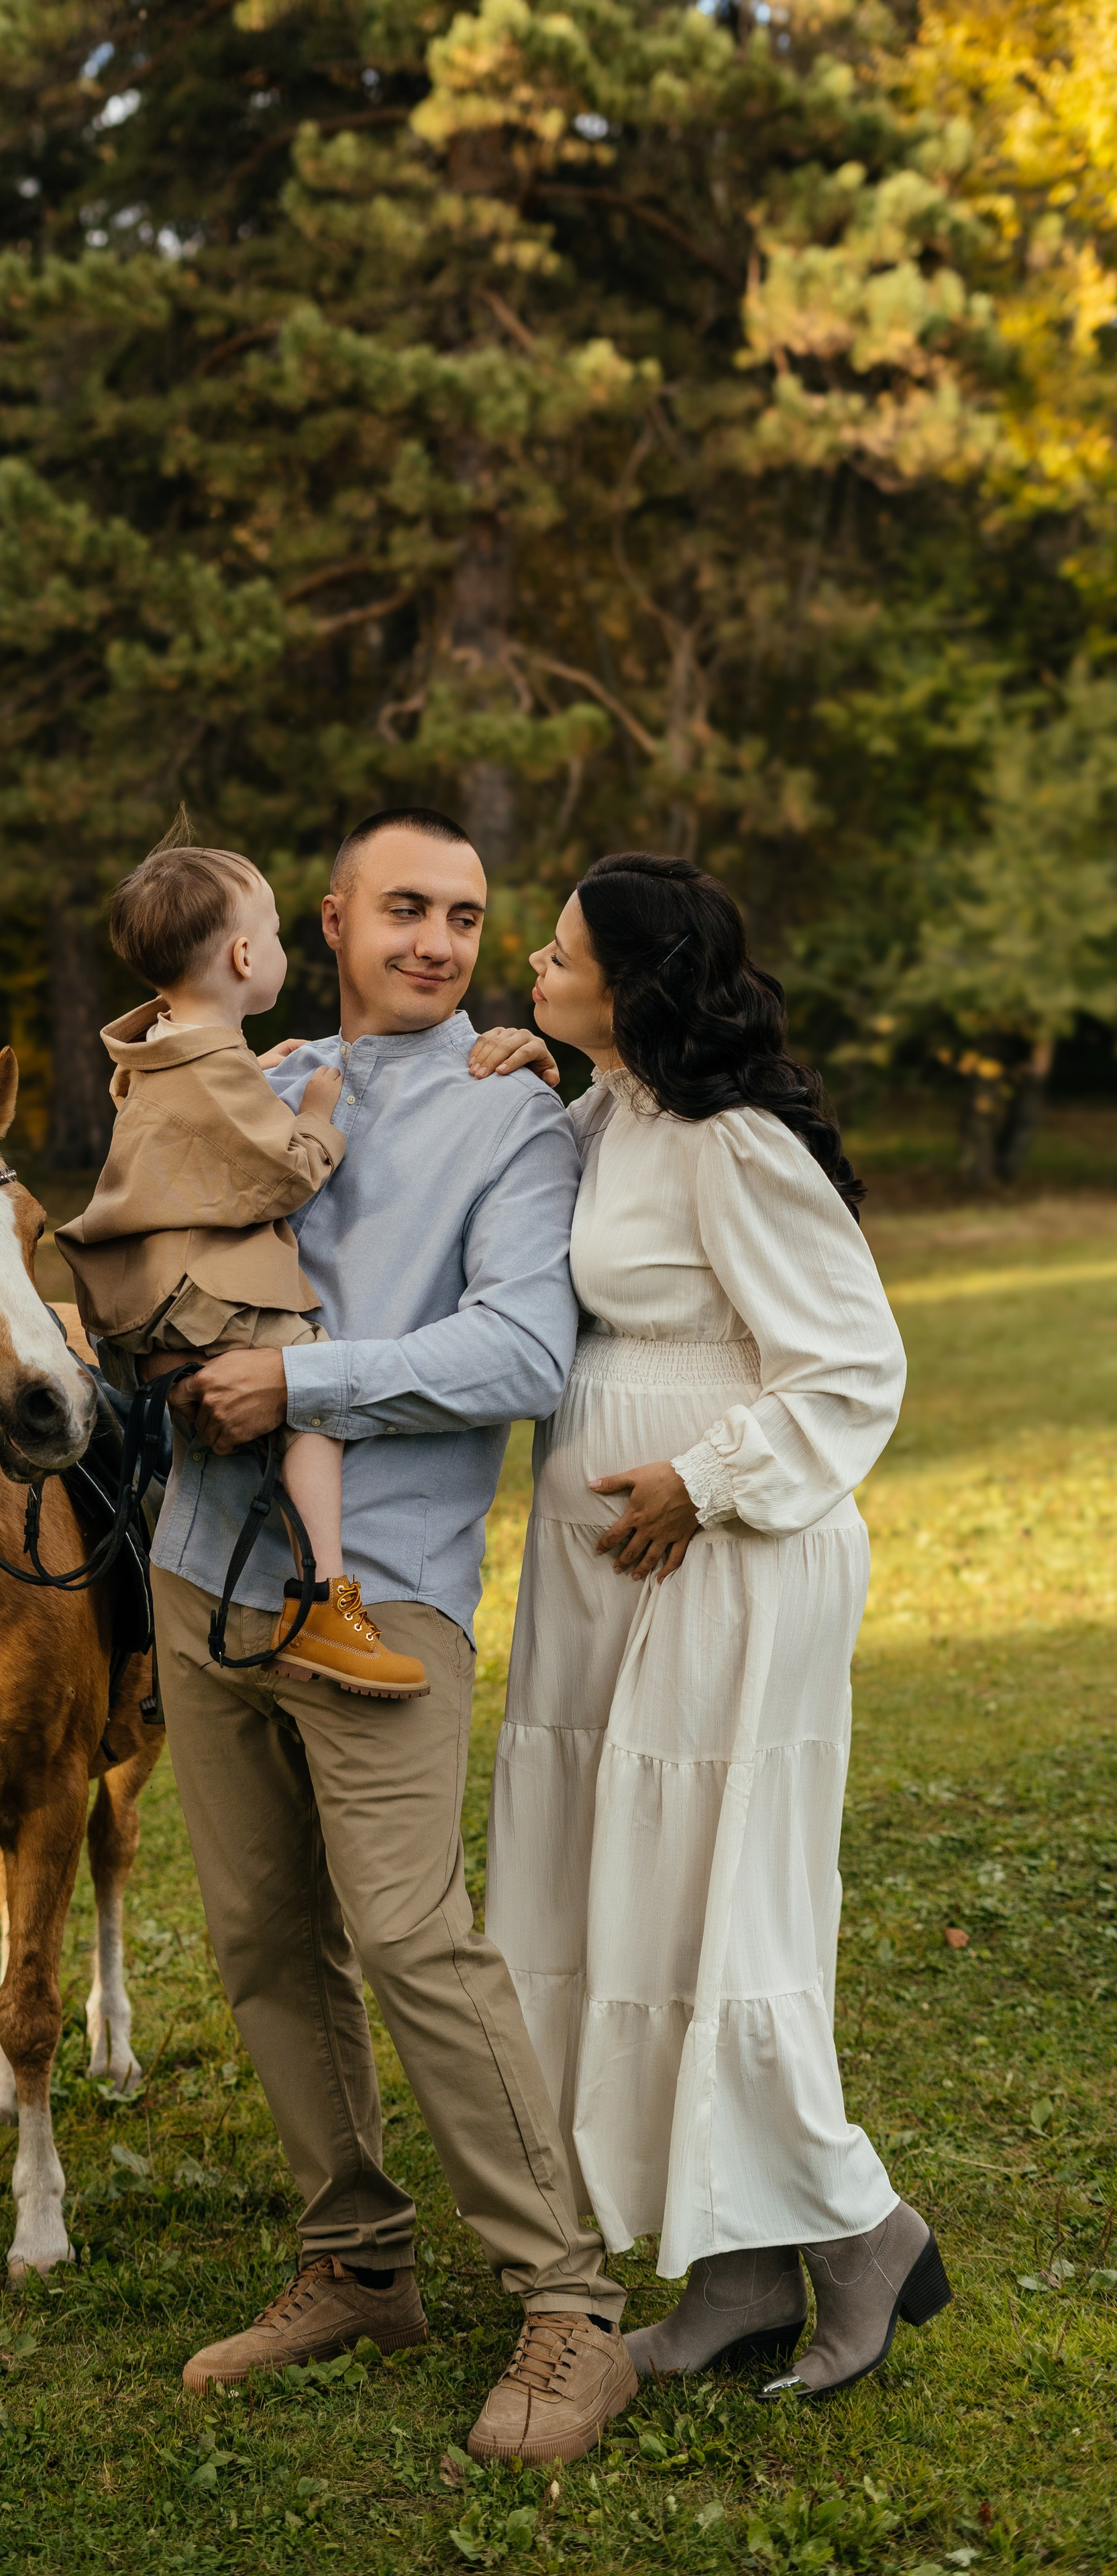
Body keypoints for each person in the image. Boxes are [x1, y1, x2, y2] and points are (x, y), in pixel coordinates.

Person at [148, 806, 639, 2465]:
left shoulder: (516, 1122)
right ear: (331, 920)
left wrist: (297, 1383)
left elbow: (516, 1350)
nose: (437, 940)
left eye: (467, 917)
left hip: (386, 1594)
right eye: (405, 910)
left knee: (415, 1940)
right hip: (196, 1567)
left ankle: (567, 2307)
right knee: (261, 1940)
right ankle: (353, 2262)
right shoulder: (255, 1075)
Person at [486, 851, 953, 2400]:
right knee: (640, 1913)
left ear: (628, 986)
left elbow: (847, 1365)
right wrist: (504, 1068)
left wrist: (699, 1478)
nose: (529, 970)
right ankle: (736, 2269)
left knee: (717, 1907)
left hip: (730, 1563)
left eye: (554, 959)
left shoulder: (734, 1143)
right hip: (613, 1582)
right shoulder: (609, 1113)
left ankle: (861, 2230)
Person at [56, 825, 429, 1696]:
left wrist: (252, 1072)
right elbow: (283, 1176)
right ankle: (324, 1603)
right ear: (245, 953)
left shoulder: (166, 1046)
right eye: (279, 935)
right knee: (312, 1399)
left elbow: (190, 1116)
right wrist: (324, 1111)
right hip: (206, 1295)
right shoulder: (218, 1068)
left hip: (146, 1299)